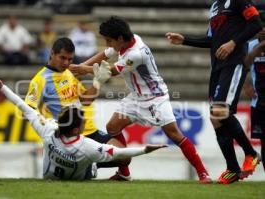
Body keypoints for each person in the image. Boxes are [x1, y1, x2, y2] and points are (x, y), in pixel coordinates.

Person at [69, 16, 212, 183]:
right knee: (112, 126)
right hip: (136, 98)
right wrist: (81, 67)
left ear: (120, 39)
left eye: (109, 40)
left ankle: (203, 173)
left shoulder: (136, 54)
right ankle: (124, 173)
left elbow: (111, 71)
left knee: (174, 135)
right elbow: (104, 55)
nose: (108, 44)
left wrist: (81, 69)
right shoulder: (128, 40)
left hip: (155, 99)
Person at [0, 76, 166, 180]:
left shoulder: (48, 130)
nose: (85, 121)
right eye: (82, 120)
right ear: (76, 129)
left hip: (50, 176)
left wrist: (2, 87)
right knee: (107, 161)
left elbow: (22, 106)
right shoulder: (86, 146)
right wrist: (145, 149)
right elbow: (118, 153)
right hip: (80, 170)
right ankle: (91, 168)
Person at [166, 0, 262, 184]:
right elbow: (212, 40)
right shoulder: (215, 6)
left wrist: (233, 43)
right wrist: (185, 40)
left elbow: (256, 23)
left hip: (234, 62)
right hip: (218, 67)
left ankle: (251, 153)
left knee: (220, 111)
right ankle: (233, 168)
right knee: (215, 118)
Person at [25, 37, 132, 181]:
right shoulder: (40, 80)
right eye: (62, 58)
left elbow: (86, 100)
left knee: (125, 156)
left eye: (69, 59)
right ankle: (84, 166)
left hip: (89, 130)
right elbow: (29, 109)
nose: (66, 63)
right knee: (79, 178)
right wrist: (49, 129)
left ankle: (91, 164)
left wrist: (98, 82)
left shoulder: (68, 73)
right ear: (52, 53)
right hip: (69, 137)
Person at [243, 16, 265, 171]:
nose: (263, 30)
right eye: (261, 27)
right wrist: (246, 85)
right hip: (259, 103)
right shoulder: (250, 46)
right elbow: (243, 66)